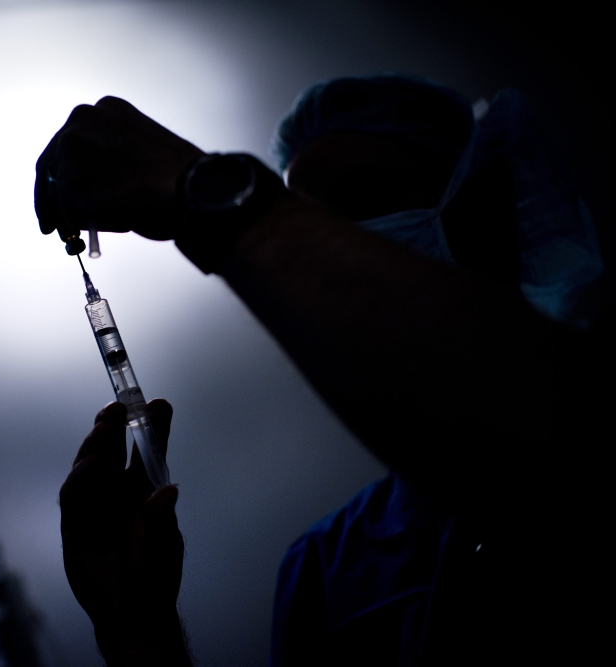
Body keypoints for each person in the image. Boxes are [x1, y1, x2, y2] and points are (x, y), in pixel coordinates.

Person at [34, 75, 612, 666]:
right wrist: (139, 630)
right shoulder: (326, 567)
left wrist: (199, 188)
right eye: (313, 218)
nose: (328, 249)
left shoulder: (593, 427)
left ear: (487, 212)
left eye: (366, 199)